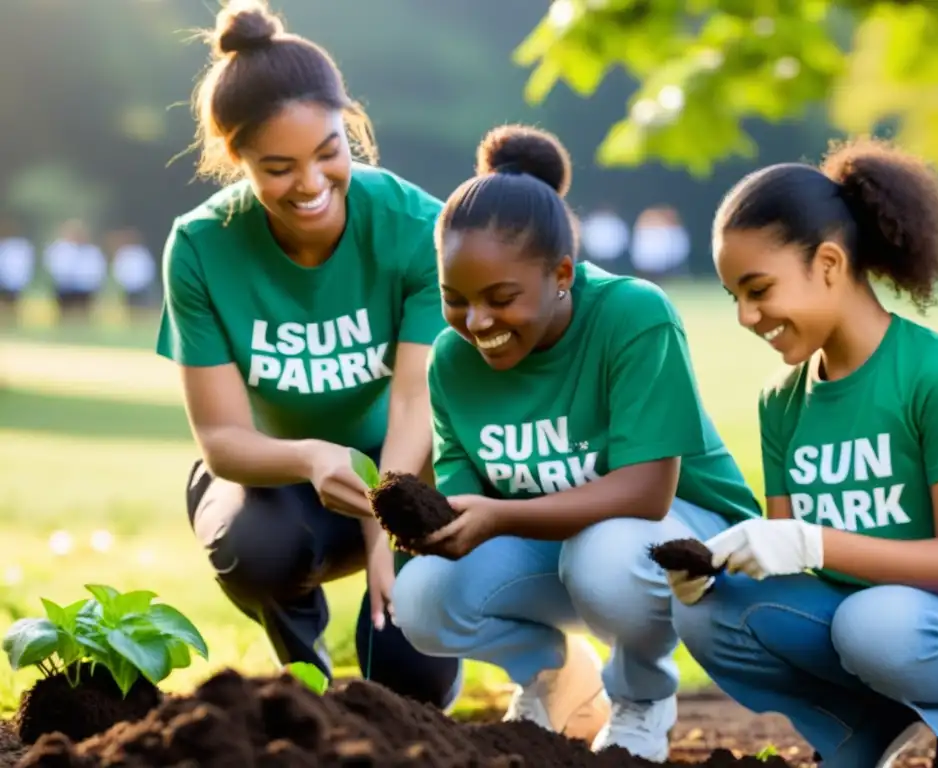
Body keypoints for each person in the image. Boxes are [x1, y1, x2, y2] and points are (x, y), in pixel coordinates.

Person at [391, 124, 762, 762]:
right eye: (456, 300)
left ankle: (642, 697)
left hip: (684, 549)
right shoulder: (452, 360)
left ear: (561, 273)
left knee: (606, 551)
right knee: (423, 594)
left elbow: (647, 491)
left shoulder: (631, 314)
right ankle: (555, 677)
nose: (478, 323)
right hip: (561, 549)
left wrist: (498, 515)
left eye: (501, 299)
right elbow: (464, 492)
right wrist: (430, 523)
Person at [667, 138, 938, 768]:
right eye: (735, 298)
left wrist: (812, 542)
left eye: (759, 289)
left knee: (873, 624)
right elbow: (789, 563)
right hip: (881, 621)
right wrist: (722, 564)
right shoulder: (782, 403)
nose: (748, 317)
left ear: (829, 263)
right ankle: (864, 728)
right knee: (708, 617)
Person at [155, 0, 460, 709]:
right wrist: (311, 456)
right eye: (279, 167)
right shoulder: (201, 246)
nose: (313, 183)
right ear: (237, 158)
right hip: (281, 485)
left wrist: (391, 517)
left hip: (406, 466)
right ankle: (304, 673)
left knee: (411, 684)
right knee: (256, 549)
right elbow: (225, 439)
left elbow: (418, 398)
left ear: (348, 125)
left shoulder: (417, 226)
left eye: (330, 152)